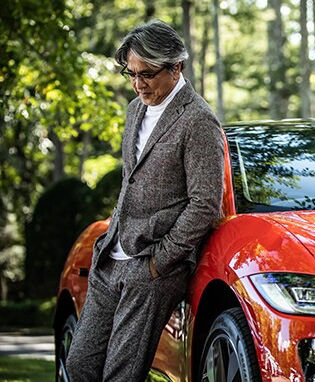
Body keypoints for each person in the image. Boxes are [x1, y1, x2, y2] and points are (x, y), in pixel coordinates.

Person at [65, 21, 224, 381]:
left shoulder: (199, 121)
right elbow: (130, 182)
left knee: (121, 375)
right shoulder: (135, 110)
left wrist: (158, 262)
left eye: (148, 74)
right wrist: (109, 238)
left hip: (151, 268)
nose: (139, 85)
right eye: (132, 74)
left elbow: (204, 204)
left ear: (176, 67)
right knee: (79, 365)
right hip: (111, 259)